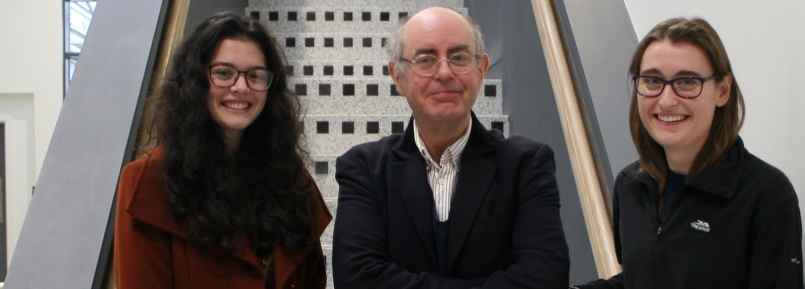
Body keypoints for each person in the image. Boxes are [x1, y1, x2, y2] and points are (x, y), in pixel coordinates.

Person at [331, 6, 570, 289]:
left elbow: (546, 278)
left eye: (459, 58)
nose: (444, 72)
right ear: (398, 76)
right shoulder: (363, 168)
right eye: (425, 60)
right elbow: (356, 278)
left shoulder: (526, 164)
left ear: (481, 70)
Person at [573, 17, 803, 289]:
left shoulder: (766, 195)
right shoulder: (630, 185)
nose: (667, 100)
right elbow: (641, 279)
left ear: (723, 91)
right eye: (652, 81)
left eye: (687, 82)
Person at [113, 12, 331, 289]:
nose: (241, 87)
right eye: (224, 73)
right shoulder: (148, 182)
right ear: (195, 81)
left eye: (255, 76)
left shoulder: (293, 181)